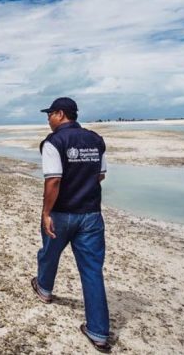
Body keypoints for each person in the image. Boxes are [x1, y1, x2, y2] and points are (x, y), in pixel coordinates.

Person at [31, 97, 112, 353]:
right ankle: (98, 333)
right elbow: (100, 175)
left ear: (61, 114)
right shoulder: (96, 140)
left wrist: (46, 212)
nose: (47, 119)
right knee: (91, 271)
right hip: (90, 214)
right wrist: (83, 186)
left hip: (62, 213)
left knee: (49, 254)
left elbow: (53, 181)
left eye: (50, 114)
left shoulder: (53, 142)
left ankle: (44, 289)